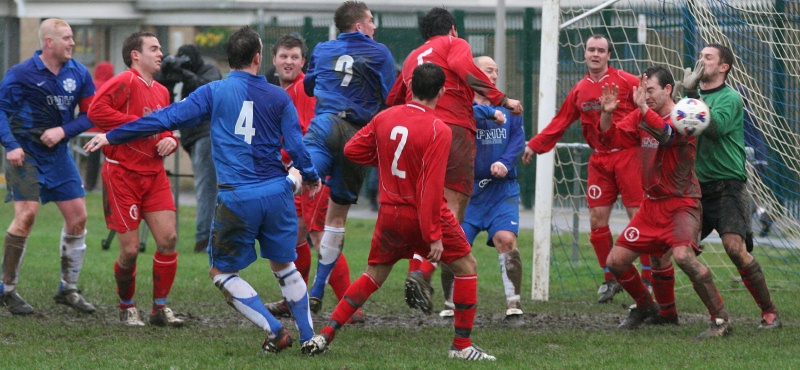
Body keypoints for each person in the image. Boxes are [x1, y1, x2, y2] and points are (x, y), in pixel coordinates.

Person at [86, 25, 321, 353]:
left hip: (238, 197)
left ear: (230, 58)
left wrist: (112, 135)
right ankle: (309, 337)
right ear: (258, 58)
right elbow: (297, 146)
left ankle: (274, 330)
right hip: (276, 193)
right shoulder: (279, 96)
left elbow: (164, 119)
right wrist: (309, 176)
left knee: (222, 271)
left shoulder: (214, 91)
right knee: (285, 266)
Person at [301, 63, 496, 361]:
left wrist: (385, 160)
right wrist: (433, 237)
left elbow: (352, 150)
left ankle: (325, 334)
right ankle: (461, 347)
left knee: (374, 275)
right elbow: (431, 190)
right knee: (466, 266)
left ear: (409, 88)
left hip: (390, 213)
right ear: (442, 92)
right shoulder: (438, 129)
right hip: (422, 214)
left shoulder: (385, 117)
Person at [387, 7, 523, 316]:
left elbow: (394, 99)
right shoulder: (454, 45)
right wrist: (501, 99)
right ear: (452, 29)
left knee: (426, 207)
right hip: (451, 131)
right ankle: (423, 274)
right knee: (451, 212)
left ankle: (419, 269)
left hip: (415, 131)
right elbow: (469, 72)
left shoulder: (412, 57)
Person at [598, 66, 732, 338]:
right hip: (651, 207)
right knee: (615, 261)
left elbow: (668, 137)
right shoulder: (640, 114)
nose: (645, 96)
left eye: (650, 90)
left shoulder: (686, 113)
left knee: (683, 256)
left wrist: (643, 112)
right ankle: (651, 308)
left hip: (682, 203)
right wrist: (607, 113)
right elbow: (609, 138)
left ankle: (720, 320)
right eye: (642, 90)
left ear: (668, 89)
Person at [520, 34, 652, 303]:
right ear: (584, 54)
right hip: (599, 160)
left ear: (608, 55)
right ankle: (611, 277)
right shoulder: (579, 89)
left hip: (629, 156)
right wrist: (534, 145)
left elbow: (652, 105)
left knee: (638, 218)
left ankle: (648, 278)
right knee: (595, 221)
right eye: (591, 49)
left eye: (601, 50)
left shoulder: (628, 81)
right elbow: (560, 121)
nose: (595, 54)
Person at [302, 0, 397, 314]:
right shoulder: (379, 52)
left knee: (302, 175)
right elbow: (392, 96)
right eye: (371, 21)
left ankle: (261, 205)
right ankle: (317, 288)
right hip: (358, 135)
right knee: (337, 216)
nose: (374, 26)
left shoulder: (323, 49)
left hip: (327, 123)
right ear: (359, 25)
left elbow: (309, 84)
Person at [263, 33, 364, 323]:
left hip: (310, 173)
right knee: (294, 235)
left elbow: (309, 135)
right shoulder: (281, 92)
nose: (289, 61)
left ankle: (351, 306)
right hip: (296, 172)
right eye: (284, 56)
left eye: (295, 57)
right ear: (274, 59)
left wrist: (291, 163)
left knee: (320, 234)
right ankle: (294, 298)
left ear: (303, 61)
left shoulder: (304, 90)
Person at [0, 18, 97, 315]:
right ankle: (7, 289)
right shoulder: (21, 74)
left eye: (72, 38)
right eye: (66, 38)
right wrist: (11, 145)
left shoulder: (79, 73)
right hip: (25, 155)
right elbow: (1, 111)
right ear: (49, 43)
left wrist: (62, 132)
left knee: (79, 218)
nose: (72, 43)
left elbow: (90, 115)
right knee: (27, 215)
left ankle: (68, 288)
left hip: (58, 157)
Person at [87, 31, 183, 327]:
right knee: (129, 251)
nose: (161, 54)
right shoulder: (125, 81)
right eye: (154, 49)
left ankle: (159, 308)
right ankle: (127, 305)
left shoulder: (163, 91)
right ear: (135, 55)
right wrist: (139, 126)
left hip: (154, 174)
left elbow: (165, 125)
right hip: (123, 175)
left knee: (168, 239)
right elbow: (96, 111)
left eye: (160, 49)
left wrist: (169, 139)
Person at [687, 44, 781, 329]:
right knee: (675, 250)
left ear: (724, 67)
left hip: (729, 186)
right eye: (700, 57)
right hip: (697, 188)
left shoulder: (731, 98)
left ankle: (770, 312)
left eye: (708, 58)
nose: (701, 62)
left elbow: (713, 130)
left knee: (734, 249)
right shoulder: (691, 96)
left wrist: (690, 97)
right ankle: (666, 311)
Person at [458, 56, 525, 320]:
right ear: (474, 74)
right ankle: (451, 303)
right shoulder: (464, 107)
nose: (495, 75)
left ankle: (513, 302)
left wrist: (505, 163)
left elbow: (518, 141)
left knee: (506, 240)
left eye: (497, 71)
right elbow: (464, 115)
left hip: (502, 190)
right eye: (489, 70)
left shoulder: (511, 108)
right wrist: (489, 112)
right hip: (469, 193)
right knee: (457, 246)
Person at [156, 44, 223, 253]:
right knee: (207, 187)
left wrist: (184, 73)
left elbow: (208, 89)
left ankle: (204, 239)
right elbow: (158, 88)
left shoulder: (209, 70)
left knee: (207, 188)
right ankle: (207, 237)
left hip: (207, 135)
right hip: (193, 136)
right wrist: (167, 70)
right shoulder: (181, 73)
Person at [84, 61, 115, 192]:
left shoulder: (91, 86)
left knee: (93, 159)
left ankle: (90, 184)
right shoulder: (113, 86)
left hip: (91, 129)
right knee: (112, 159)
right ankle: (109, 185)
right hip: (107, 130)